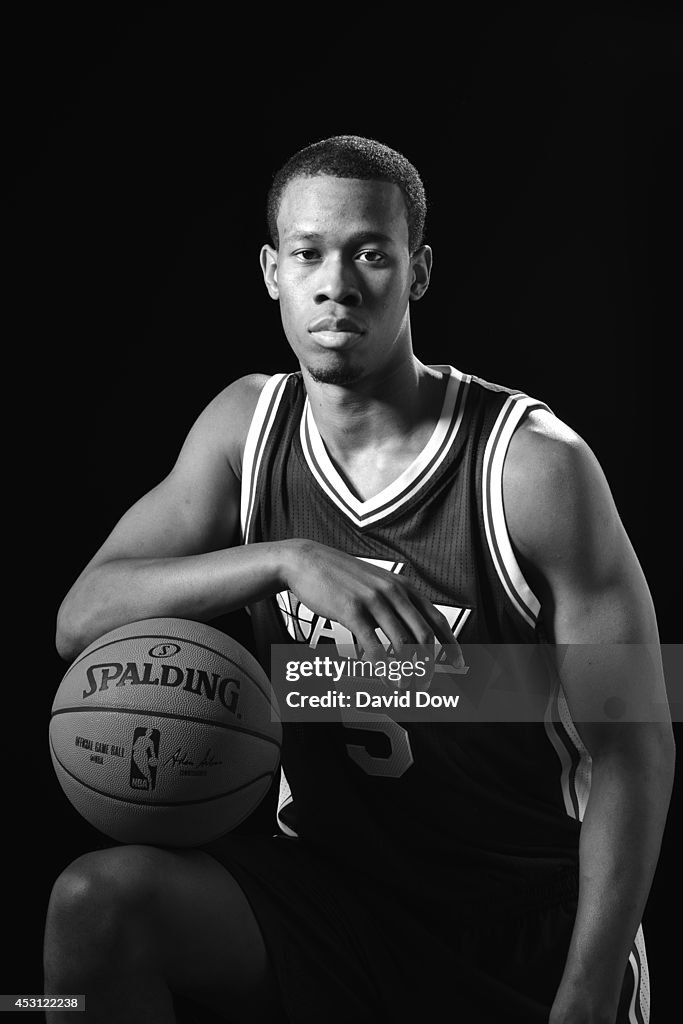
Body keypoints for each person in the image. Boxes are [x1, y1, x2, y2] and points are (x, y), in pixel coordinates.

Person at [45, 135, 674, 1024]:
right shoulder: (245, 430)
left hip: (520, 913)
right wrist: (286, 559)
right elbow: (81, 616)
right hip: (336, 896)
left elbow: (633, 745)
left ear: (416, 272)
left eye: (369, 253)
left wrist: (585, 994)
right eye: (307, 253)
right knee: (97, 908)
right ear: (272, 270)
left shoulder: (530, 469)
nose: (335, 282)